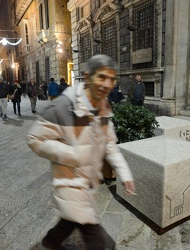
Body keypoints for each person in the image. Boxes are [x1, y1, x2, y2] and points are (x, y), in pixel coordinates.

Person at [27, 54, 136, 250]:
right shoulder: (62, 106)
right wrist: (73, 155)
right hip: (70, 183)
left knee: (69, 222)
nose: (108, 84)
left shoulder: (103, 106)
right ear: (87, 77)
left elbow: (109, 144)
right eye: (102, 77)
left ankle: (50, 242)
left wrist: (125, 174)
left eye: (112, 79)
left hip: (89, 182)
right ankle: (51, 241)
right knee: (93, 234)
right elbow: (34, 139)